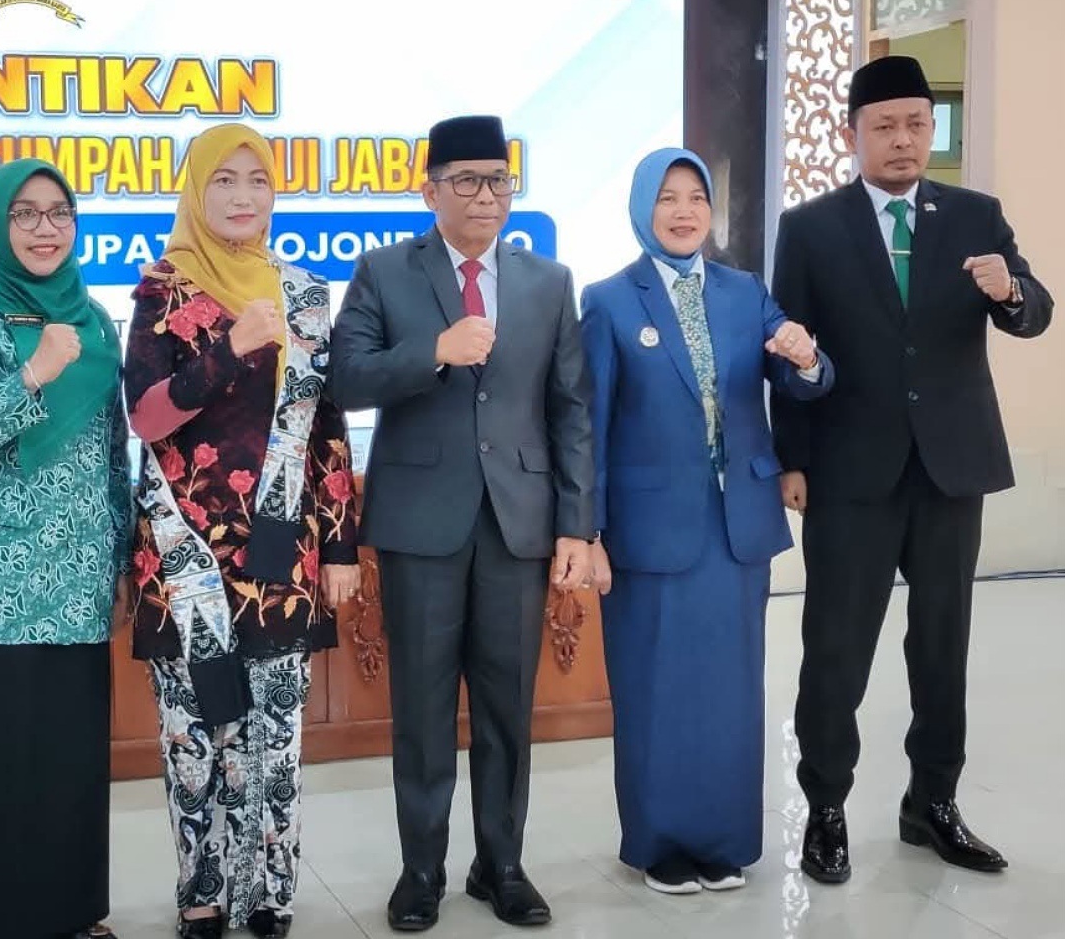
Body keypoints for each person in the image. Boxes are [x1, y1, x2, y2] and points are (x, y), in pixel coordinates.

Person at [772, 55, 1053, 884]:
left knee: (942, 646)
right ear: (851, 133)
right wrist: (791, 457)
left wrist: (1010, 290)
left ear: (933, 129)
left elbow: (1034, 312)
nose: (903, 140)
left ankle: (933, 803)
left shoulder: (976, 215)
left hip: (950, 469)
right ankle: (826, 806)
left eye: (917, 125)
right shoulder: (810, 227)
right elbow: (786, 352)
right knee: (836, 648)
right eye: (886, 126)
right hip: (849, 471)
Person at [329, 114, 596, 932]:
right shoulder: (384, 271)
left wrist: (577, 526)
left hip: (519, 521)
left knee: (508, 704)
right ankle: (422, 871)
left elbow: (571, 409)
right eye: (468, 180)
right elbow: (346, 378)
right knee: (421, 705)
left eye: (499, 179)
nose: (487, 195)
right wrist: (434, 351)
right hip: (420, 523)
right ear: (430, 191)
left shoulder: (548, 280)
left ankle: (501, 865)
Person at [123, 123, 360, 939]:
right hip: (184, 554)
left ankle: (266, 894)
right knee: (194, 731)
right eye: (223, 180)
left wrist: (341, 547)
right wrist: (228, 348)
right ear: (197, 191)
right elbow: (147, 417)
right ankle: (202, 893)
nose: (242, 196)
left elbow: (328, 428)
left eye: (257, 180)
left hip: (280, 552)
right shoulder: (162, 291)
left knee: (273, 731)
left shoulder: (305, 295)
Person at [581, 148, 833, 894]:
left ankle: (724, 840)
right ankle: (660, 843)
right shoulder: (609, 300)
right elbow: (589, 426)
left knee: (731, 692)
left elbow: (801, 377)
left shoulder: (744, 291)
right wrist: (589, 529)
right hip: (649, 532)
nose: (685, 211)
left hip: (738, 525)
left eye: (696, 197)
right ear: (642, 209)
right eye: (668, 198)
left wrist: (807, 358)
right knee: (656, 690)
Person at [0, 157, 130, 939]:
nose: (45, 229)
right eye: (25, 213)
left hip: (79, 573)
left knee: (70, 763)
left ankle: (71, 915)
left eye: (59, 212)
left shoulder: (96, 319)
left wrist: (119, 558)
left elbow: (113, 451)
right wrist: (34, 375)